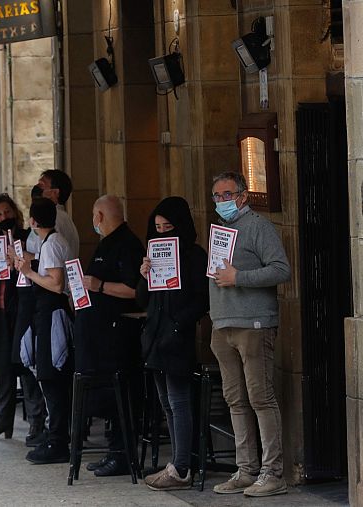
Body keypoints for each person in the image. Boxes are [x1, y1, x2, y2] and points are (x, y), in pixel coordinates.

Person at [208, 172, 291, 497]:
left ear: (242, 196)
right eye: (216, 196)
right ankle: (246, 470)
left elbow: (280, 269)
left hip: (253, 323)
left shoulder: (259, 226)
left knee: (260, 397)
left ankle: (273, 472)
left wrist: (239, 277)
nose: (220, 201)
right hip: (224, 323)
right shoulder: (220, 230)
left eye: (226, 194)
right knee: (235, 399)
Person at [136, 197, 209, 491]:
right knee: (166, 402)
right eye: (157, 227)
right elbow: (143, 299)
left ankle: (181, 467)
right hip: (154, 334)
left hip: (177, 335)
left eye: (169, 226)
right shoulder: (152, 255)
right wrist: (144, 276)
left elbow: (202, 299)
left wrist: (180, 323)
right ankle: (176, 463)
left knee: (179, 401)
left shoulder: (194, 256)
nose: (163, 232)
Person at [74, 195, 145, 477]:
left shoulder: (127, 245)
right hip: (99, 334)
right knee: (108, 397)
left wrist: (99, 285)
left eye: (93, 215)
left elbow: (135, 290)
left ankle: (122, 454)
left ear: (100, 216)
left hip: (119, 334)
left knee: (122, 396)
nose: (93, 221)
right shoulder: (107, 242)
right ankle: (113, 450)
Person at [0, 194, 46, 445]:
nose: (4, 218)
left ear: (15, 212)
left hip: (23, 310)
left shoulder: (29, 238)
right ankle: (2, 419)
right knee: (2, 368)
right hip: (0, 311)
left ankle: (36, 422)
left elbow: (38, 267)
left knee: (26, 365)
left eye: (6, 212)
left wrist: (20, 258)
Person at [15, 198, 74, 465]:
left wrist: (28, 271)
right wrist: (29, 262)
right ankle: (57, 435)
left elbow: (55, 282)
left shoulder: (51, 244)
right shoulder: (56, 241)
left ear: (32, 222)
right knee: (53, 376)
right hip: (52, 313)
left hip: (52, 314)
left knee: (51, 377)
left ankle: (57, 439)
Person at [27, 169, 80, 257]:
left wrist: (24, 256)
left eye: (41, 185)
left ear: (55, 192)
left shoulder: (53, 217)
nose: (36, 187)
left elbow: (50, 254)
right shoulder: (61, 217)